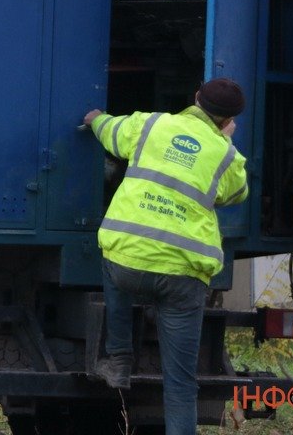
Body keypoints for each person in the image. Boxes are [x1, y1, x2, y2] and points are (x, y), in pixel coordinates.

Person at [83, 78, 249, 435]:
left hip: (129, 262)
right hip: (184, 275)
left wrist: (95, 118)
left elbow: (111, 133)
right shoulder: (227, 154)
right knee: (180, 384)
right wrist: (224, 141)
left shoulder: (151, 124)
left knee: (112, 258)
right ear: (229, 120)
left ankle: (119, 359)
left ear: (195, 97)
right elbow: (235, 194)